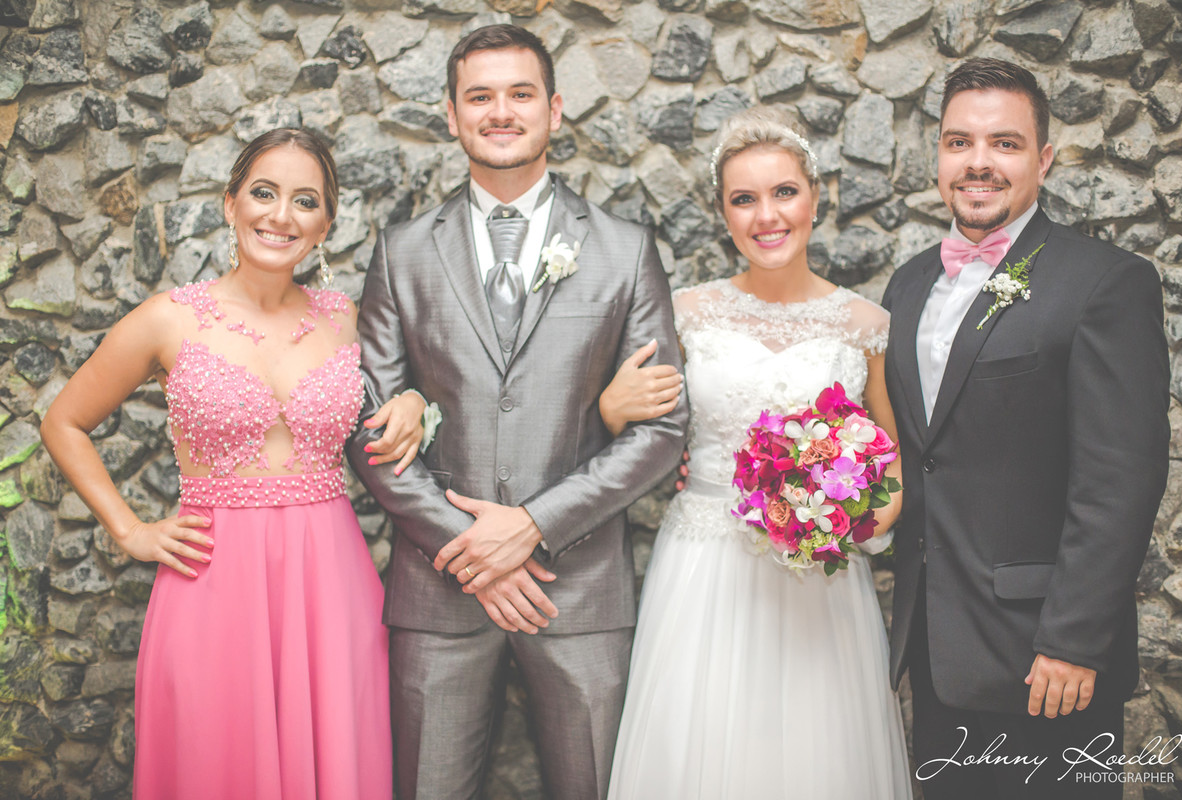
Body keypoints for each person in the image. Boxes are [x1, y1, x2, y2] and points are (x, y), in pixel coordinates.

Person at [346, 24, 688, 800]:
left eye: (520, 94)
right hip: (441, 590)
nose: (500, 111)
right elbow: (370, 429)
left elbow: (663, 428)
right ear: (451, 114)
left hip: (580, 587)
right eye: (480, 96)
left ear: (554, 109)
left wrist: (531, 527)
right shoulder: (401, 253)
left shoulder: (624, 249)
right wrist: (471, 548)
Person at [40, 128, 419, 800]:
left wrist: (414, 400)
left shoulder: (347, 320)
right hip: (212, 579)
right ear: (230, 204)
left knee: (337, 758)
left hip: (330, 585)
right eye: (263, 193)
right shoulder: (168, 320)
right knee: (216, 759)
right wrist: (130, 530)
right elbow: (63, 422)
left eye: (306, 201)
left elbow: (399, 397)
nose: (281, 215)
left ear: (326, 225)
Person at [881, 58, 1170, 799]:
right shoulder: (906, 286)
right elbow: (919, 452)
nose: (978, 162)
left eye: (1004, 143)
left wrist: (1073, 640)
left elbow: (1120, 478)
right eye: (959, 142)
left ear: (1043, 160)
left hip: (1046, 661)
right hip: (935, 650)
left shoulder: (1104, 282)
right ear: (938, 155)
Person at [603, 106, 912, 799]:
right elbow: (625, 422)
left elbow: (891, 460)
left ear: (815, 197)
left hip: (820, 582)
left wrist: (850, 523)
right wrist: (611, 406)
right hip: (702, 567)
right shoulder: (684, 314)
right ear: (723, 212)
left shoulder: (866, 325)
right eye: (744, 199)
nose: (766, 216)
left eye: (784, 192)